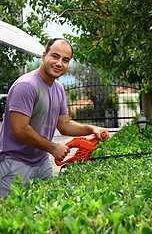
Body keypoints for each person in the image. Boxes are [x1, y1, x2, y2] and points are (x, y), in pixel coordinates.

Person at [0, 38, 109, 197]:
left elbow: (64, 125)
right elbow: (19, 129)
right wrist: (52, 148)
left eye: (65, 60)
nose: (59, 63)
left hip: (42, 163)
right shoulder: (26, 86)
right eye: (55, 56)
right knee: (8, 215)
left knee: (42, 214)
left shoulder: (58, 88)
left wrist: (92, 129)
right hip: (16, 164)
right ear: (44, 56)